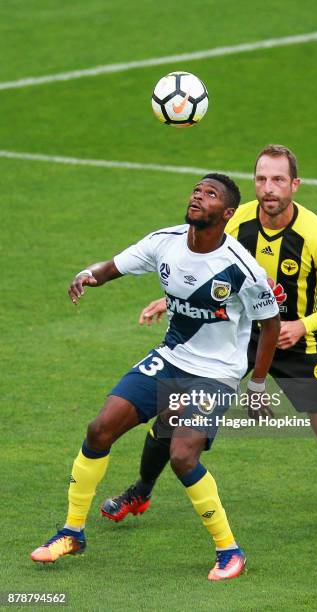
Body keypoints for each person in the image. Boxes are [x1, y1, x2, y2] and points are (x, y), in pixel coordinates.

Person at [101, 145, 317, 523]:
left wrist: (302, 325)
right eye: (262, 179)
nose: (269, 188)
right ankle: (140, 491)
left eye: (278, 180)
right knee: (172, 412)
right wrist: (169, 300)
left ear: (294, 184)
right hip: (238, 336)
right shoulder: (238, 220)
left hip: (296, 342)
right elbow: (206, 267)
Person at [30, 173, 280, 581]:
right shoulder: (164, 241)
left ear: (228, 213)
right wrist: (87, 275)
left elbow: (269, 327)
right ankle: (72, 532)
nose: (199, 196)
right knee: (99, 429)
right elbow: (111, 267)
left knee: (183, 456)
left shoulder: (242, 269)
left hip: (215, 374)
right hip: (170, 358)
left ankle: (229, 550)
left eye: (210, 194)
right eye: (197, 190)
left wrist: (255, 386)